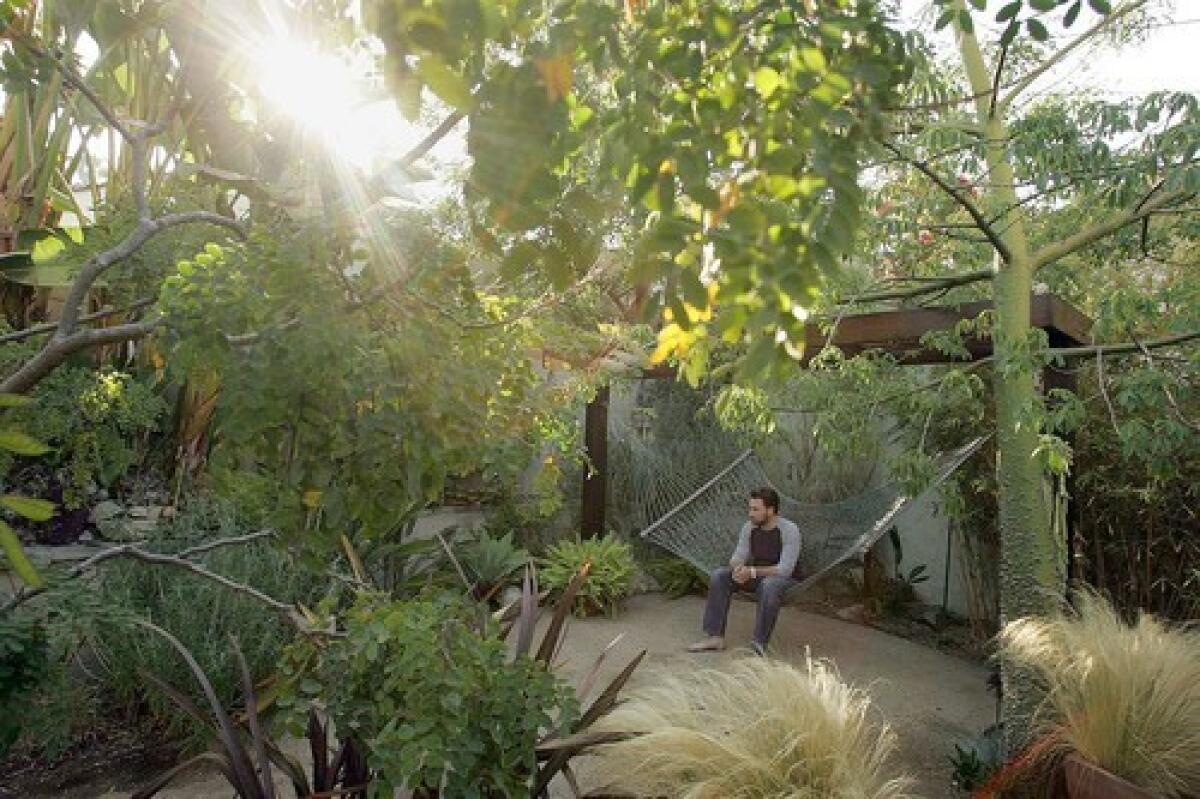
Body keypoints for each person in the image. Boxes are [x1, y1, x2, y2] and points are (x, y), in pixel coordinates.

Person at [687, 487, 801, 655]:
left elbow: (784, 569)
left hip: (785, 580)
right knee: (719, 575)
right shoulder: (749, 528)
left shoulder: (789, 530)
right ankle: (715, 638)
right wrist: (738, 568)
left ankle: (758, 645)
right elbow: (738, 556)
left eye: (755, 509)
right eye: (750, 508)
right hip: (756, 575)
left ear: (770, 510)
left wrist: (752, 572)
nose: (750, 513)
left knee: (769, 585)